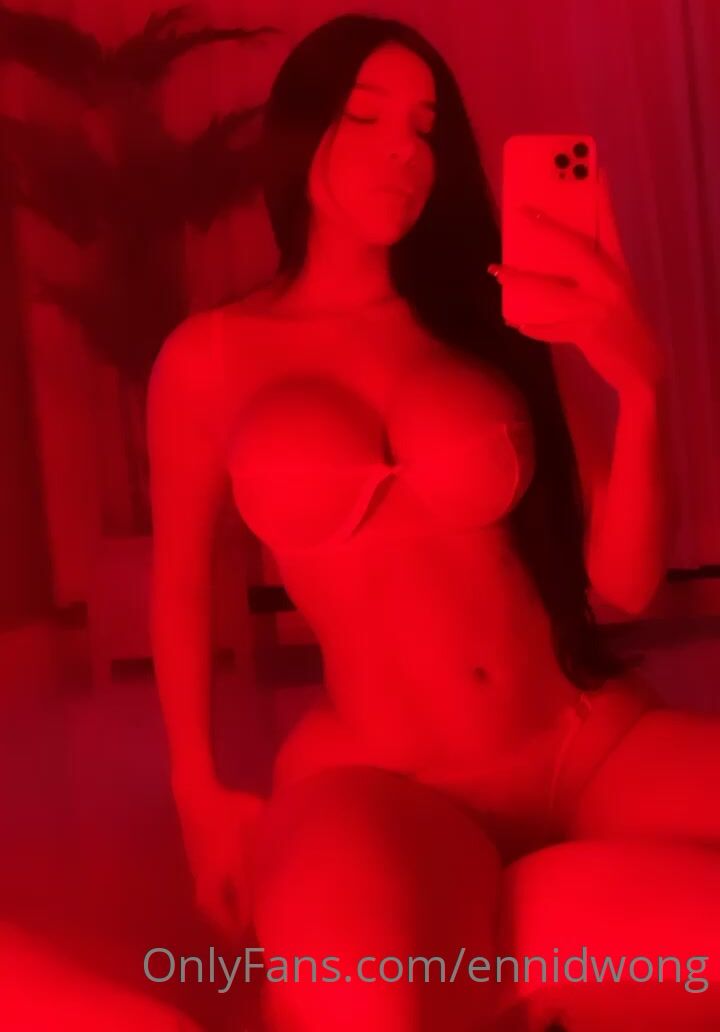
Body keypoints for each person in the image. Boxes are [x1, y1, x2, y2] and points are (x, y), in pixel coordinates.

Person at [147, 14, 720, 1031]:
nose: (404, 151)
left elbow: (627, 583)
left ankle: (507, 945)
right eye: (366, 116)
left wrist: (642, 389)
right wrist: (199, 794)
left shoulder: (492, 316)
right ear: (303, 128)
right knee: (354, 1009)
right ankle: (535, 946)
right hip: (386, 775)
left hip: (584, 742)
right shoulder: (211, 356)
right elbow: (184, 583)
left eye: (425, 128)